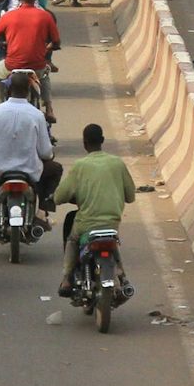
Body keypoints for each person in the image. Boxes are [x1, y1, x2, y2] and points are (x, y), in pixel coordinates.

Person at [54, 123, 135, 298]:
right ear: (103, 141)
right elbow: (130, 196)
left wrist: (60, 198)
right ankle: (122, 276)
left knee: (73, 240)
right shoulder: (117, 163)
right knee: (113, 241)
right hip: (112, 222)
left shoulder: (80, 166)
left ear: (84, 143)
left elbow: (60, 197)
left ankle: (67, 278)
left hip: (86, 223)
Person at [0, 71, 62, 219]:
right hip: (30, 171)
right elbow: (46, 153)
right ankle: (42, 212)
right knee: (56, 169)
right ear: (28, 91)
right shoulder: (37, 115)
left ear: (7, 90)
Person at [0, 0, 62, 117]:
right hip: (37, 67)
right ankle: (49, 109)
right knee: (45, 75)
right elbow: (56, 42)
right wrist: (47, 48)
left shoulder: (9, 16)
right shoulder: (45, 16)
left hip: (12, 66)